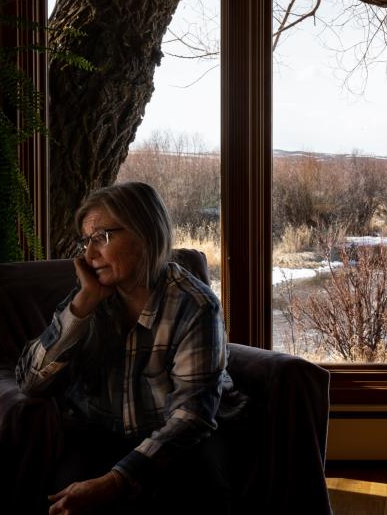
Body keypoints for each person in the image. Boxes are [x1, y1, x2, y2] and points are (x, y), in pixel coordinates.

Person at [15, 182, 235, 515]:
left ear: (145, 234)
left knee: (198, 485)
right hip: (98, 432)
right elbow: (29, 382)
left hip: (179, 439)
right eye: (86, 241)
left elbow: (191, 417)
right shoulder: (90, 293)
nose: (89, 256)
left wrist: (116, 482)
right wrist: (81, 306)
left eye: (101, 237)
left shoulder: (195, 306)